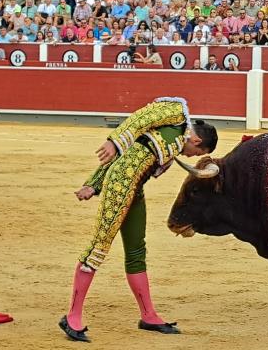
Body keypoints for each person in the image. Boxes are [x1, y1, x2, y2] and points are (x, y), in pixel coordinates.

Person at [59, 97, 218, 342]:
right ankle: (72, 316)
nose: (191, 154)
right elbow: (138, 120)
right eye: (197, 152)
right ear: (197, 141)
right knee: (99, 247)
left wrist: (93, 183)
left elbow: (128, 152)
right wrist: (114, 141)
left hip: (134, 190)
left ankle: (149, 315)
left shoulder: (173, 144)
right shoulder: (175, 112)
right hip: (119, 188)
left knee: (136, 250)